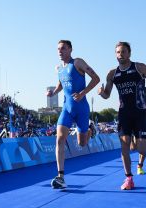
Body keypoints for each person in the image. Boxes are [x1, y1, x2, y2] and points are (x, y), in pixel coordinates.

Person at [98, 42, 146, 190]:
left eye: (123, 52)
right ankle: (129, 179)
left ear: (129, 53)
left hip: (140, 113)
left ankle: (139, 160)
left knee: (141, 150)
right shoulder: (112, 74)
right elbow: (107, 95)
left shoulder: (139, 67)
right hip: (124, 114)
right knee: (124, 147)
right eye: (118, 52)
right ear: (115, 54)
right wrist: (102, 93)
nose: (121, 55)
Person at [47, 40, 100, 189]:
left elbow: (96, 78)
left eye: (63, 48)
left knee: (82, 144)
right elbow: (61, 84)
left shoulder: (78, 62)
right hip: (67, 109)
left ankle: (90, 129)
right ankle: (61, 176)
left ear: (70, 49)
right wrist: (53, 92)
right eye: (58, 49)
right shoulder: (58, 68)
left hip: (81, 108)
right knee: (59, 139)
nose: (60, 51)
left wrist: (83, 93)